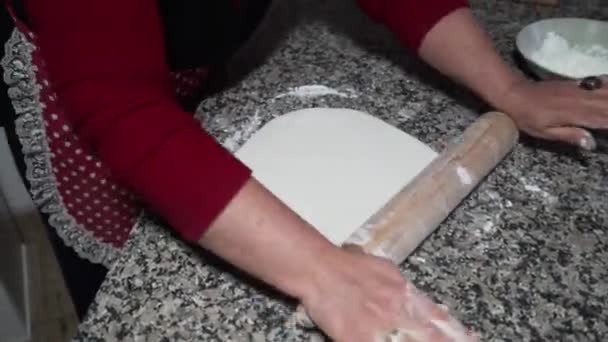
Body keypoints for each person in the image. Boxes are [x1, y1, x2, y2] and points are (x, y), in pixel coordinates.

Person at [1, 0, 607, 340]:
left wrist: (506, 88)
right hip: (72, 86)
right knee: (121, 282)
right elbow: (120, 105)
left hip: (180, 57)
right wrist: (322, 273)